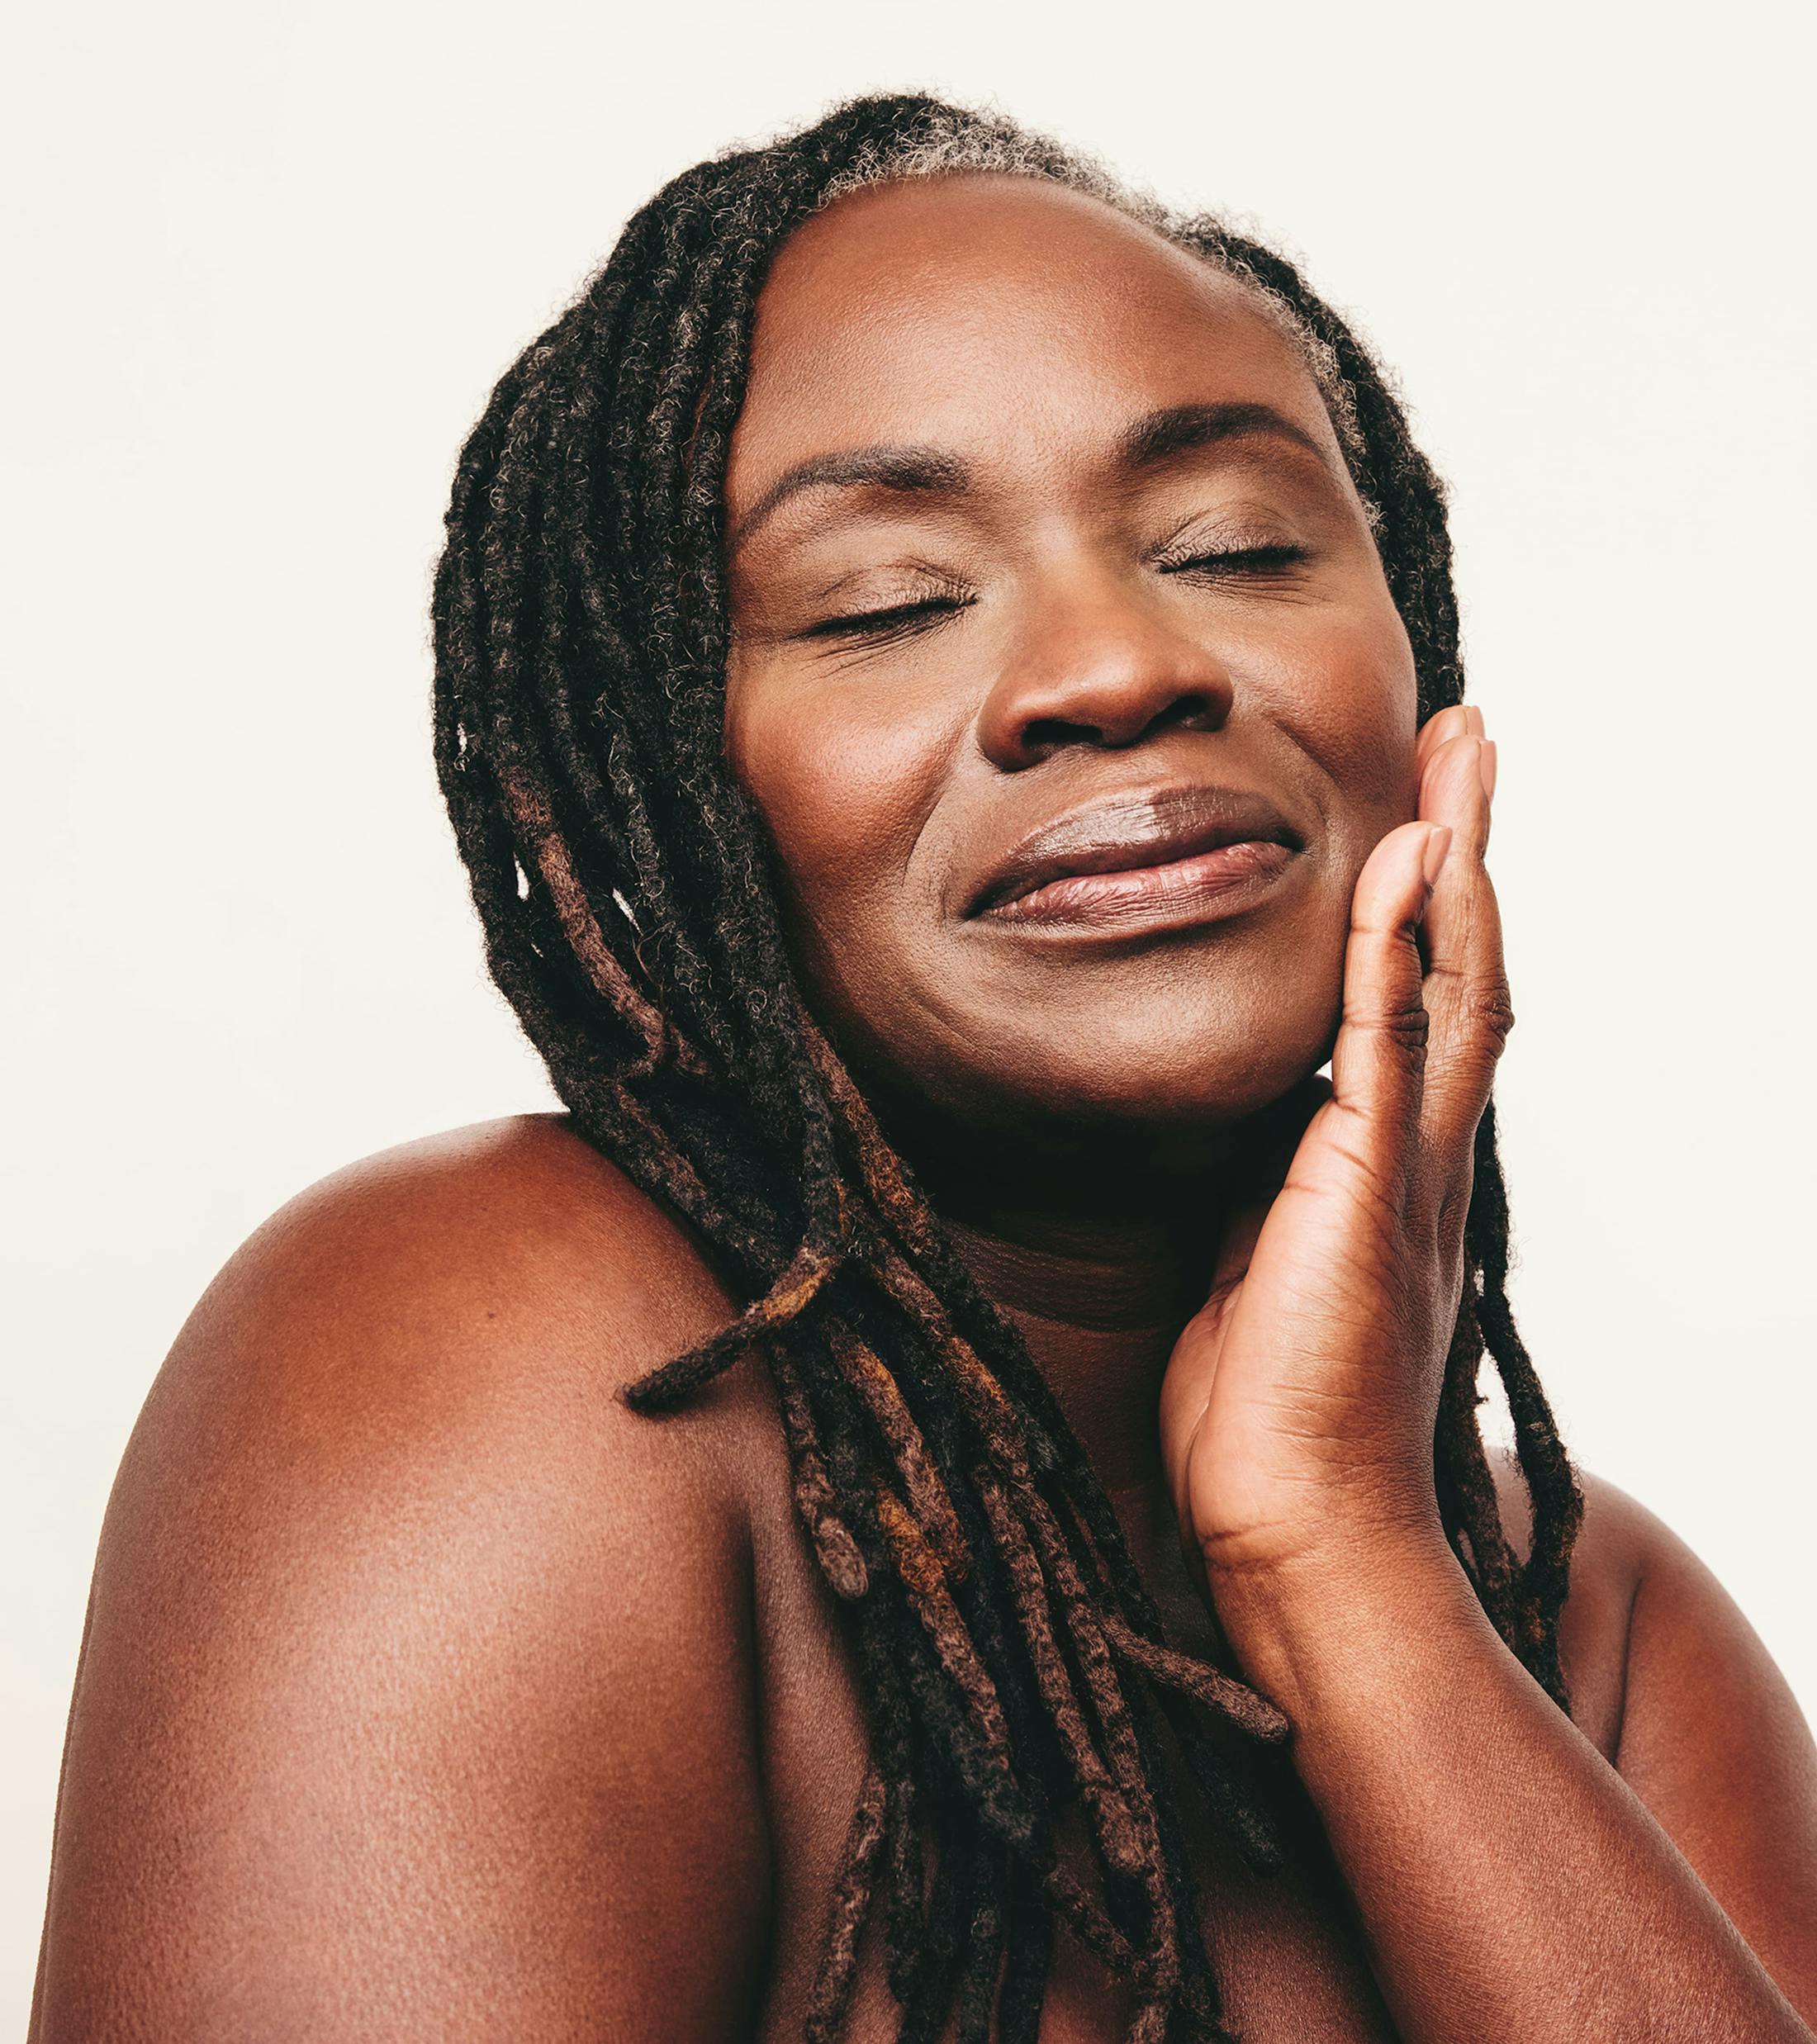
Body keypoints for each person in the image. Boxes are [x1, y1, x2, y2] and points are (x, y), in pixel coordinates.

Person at [28, 92, 1817, 2044]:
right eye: (887, 600)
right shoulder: (487, 1347)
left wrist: (1347, 1567)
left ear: (1420, 688)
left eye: (1230, 546)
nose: (1116, 667)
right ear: (657, 790)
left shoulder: (1591, 1628)